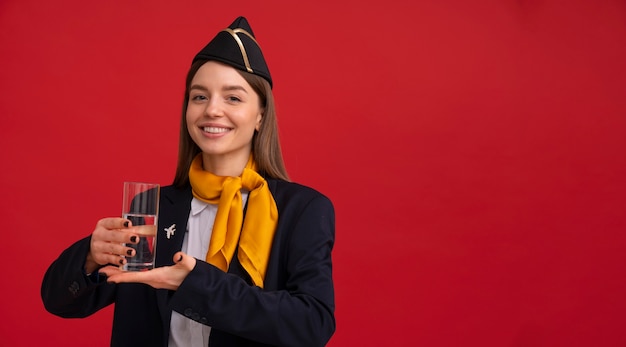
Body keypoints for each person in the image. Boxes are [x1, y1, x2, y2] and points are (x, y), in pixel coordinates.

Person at [41, 16, 336, 347]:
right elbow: (60, 302)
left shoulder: (302, 210)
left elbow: (313, 324)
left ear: (261, 115)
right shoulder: (151, 207)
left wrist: (196, 284)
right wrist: (90, 257)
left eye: (233, 98)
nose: (212, 110)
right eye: (199, 96)